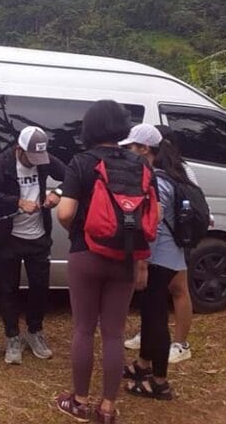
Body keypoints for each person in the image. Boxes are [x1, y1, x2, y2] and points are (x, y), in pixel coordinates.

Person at [55, 100, 151, 424]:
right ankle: (107, 408)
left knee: (83, 329)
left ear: (90, 127)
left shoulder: (81, 162)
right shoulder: (140, 164)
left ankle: (79, 402)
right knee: (114, 333)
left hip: (86, 253)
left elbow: (65, 212)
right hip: (126, 256)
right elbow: (153, 214)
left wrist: (78, 232)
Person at [0, 126, 66, 364]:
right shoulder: (4, 162)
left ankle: (34, 331)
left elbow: (71, 175)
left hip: (39, 236)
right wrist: (17, 202)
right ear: (19, 149)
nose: (36, 162)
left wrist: (57, 192)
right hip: (9, 238)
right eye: (31, 156)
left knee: (40, 288)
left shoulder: (44, 159)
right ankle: (12, 337)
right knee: (8, 289)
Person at [121, 123, 190, 400]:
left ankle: (159, 382)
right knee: (150, 314)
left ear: (144, 149)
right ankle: (143, 365)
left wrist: (143, 262)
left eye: (131, 147)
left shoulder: (158, 181)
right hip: (168, 255)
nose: (128, 151)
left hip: (159, 258)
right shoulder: (169, 173)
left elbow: (154, 225)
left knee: (156, 318)